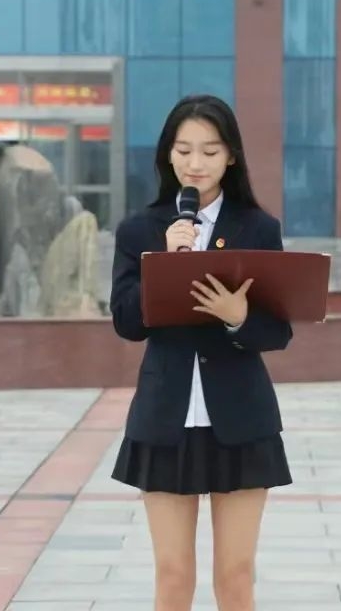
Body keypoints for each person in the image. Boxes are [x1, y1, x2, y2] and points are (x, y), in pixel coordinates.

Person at [109, 94, 294, 611]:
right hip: (165, 418)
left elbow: (277, 332)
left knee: (235, 576)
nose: (196, 163)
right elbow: (126, 322)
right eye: (184, 149)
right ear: (167, 154)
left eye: (210, 151)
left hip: (241, 419)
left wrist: (238, 315)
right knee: (172, 576)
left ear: (231, 156)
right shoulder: (140, 230)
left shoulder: (258, 229)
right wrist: (164, 266)